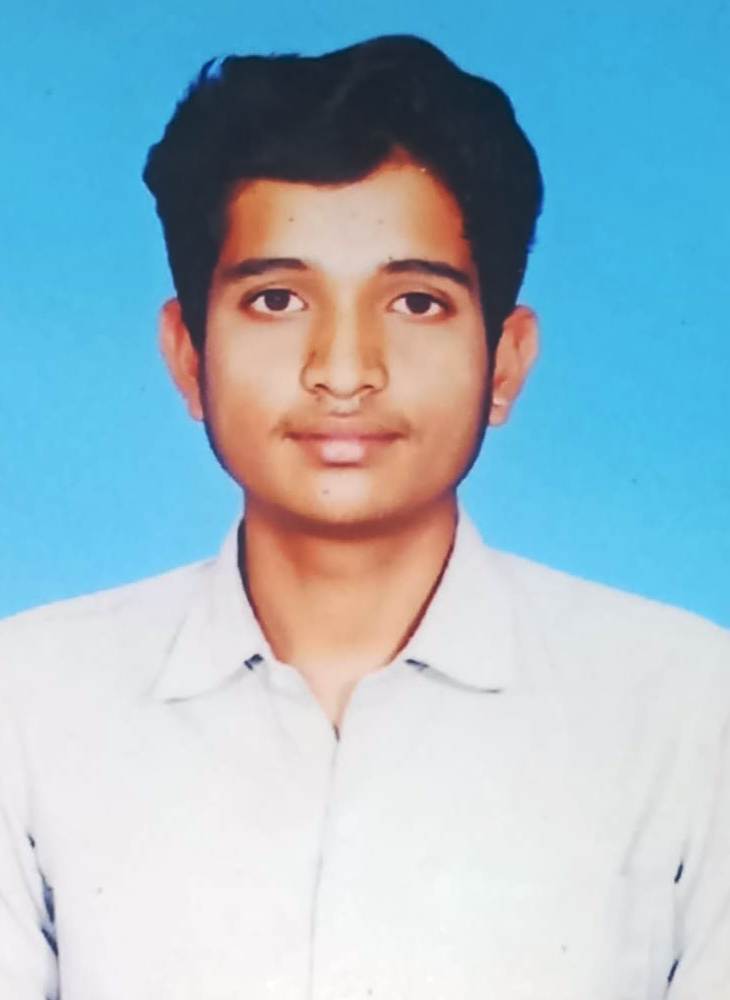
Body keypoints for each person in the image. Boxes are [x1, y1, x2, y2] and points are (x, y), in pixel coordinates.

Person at [0, 34, 728, 1000]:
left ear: (505, 362)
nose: (344, 372)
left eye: (416, 303)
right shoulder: (28, 702)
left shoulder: (690, 707)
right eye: (277, 299)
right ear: (187, 355)